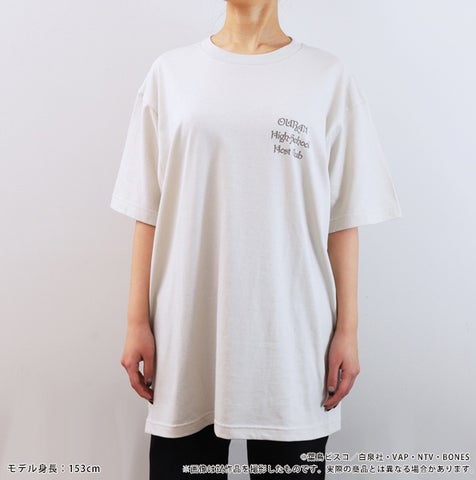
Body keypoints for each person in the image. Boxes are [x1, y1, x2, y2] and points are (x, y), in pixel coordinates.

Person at [109, 0, 402, 478]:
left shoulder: (326, 76)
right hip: (186, 331)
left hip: (292, 336)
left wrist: (347, 331)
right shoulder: (170, 74)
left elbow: (342, 218)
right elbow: (148, 210)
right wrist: (135, 321)